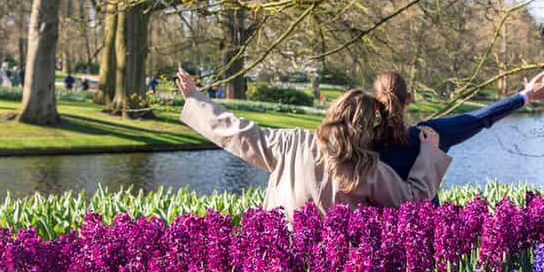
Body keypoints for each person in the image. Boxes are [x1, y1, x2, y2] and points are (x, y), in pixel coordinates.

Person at [176, 67, 451, 220]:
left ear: (333, 112)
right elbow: (411, 200)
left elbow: (236, 132)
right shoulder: (367, 167)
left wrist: (196, 100)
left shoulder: (291, 142)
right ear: (368, 128)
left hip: (276, 252)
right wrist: (429, 152)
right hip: (331, 266)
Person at [372, 71, 544, 180]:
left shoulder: (361, 141)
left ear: (375, 102)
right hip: (425, 231)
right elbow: (480, 118)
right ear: (409, 98)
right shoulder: (429, 135)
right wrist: (525, 96)